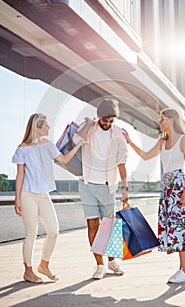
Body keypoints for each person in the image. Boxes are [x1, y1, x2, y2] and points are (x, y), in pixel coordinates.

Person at [123, 108, 185, 283]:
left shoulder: (184, 141)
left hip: (179, 187)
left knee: (180, 229)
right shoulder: (162, 141)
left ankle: (184, 270)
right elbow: (146, 156)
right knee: (174, 229)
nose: (160, 122)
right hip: (167, 189)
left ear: (171, 120)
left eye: (162, 119)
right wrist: (129, 141)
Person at [12, 113, 85, 283]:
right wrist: (17, 199)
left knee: (53, 231)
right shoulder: (22, 148)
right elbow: (20, 176)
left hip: (43, 196)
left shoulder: (49, 145)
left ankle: (43, 265)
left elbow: (64, 159)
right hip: (27, 195)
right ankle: (28, 271)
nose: (49, 128)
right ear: (37, 128)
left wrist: (79, 144)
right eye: (46, 125)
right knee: (31, 233)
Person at [73, 98, 128, 279]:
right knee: (92, 224)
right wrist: (88, 125)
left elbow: (121, 162)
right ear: (99, 116)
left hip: (107, 185)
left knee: (109, 226)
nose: (107, 124)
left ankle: (112, 261)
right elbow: (75, 140)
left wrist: (125, 188)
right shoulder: (89, 127)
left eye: (111, 121)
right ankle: (99, 265)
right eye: (105, 120)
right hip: (87, 183)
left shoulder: (118, 134)